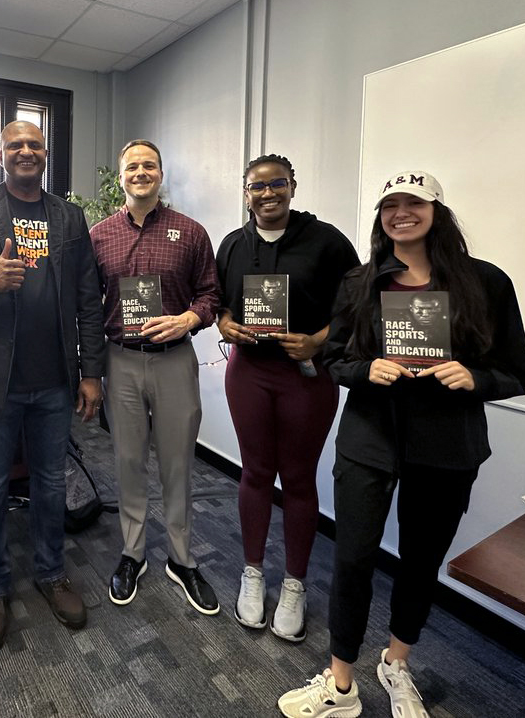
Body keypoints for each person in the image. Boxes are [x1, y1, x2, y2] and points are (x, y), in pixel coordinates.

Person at [277, 170, 525, 718]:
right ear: (381, 216)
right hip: (370, 440)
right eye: (390, 204)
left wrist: (476, 379)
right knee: (352, 559)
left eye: (414, 203)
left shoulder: (485, 282)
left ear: (437, 211)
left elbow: (515, 371)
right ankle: (341, 684)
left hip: (446, 446)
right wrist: (368, 368)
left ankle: (396, 664)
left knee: (421, 563)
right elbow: (334, 358)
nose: (402, 213)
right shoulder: (360, 282)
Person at [0, 120, 106, 652]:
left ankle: (51, 572)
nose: (26, 151)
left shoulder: (69, 216)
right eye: (16, 145)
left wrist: (92, 373)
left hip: (55, 379)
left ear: (46, 154)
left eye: (34, 144)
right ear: (0, 153)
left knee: (51, 483)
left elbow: (88, 300)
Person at [216, 154, 359, 641]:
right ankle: (252, 573)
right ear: (246, 193)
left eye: (277, 184)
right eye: (257, 186)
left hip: (306, 375)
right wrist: (224, 323)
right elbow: (221, 304)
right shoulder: (234, 244)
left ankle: (295, 583)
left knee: (298, 479)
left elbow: (359, 309)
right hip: (249, 374)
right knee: (255, 472)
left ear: (293, 186)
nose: (268, 193)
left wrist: (319, 340)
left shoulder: (328, 242)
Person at [90, 139, 221, 613]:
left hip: (174, 360)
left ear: (160, 174)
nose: (140, 172)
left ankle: (182, 559)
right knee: (127, 460)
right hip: (120, 359)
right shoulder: (100, 234)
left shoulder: (190, 233)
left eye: (149, 165)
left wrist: (188, 319)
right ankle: (133, 553)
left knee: (177, 462)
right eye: (132, 166)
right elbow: (90, 304)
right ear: (121, 175)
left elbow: (210, 295)